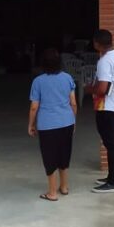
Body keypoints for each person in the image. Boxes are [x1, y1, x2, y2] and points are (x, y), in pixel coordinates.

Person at [28, 48, 77, 201]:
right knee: (64, 154)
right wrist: (73, 120)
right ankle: (64, 187)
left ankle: (52, 193)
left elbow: (34, 106)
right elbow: (73, 103)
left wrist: (31, 124)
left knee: (50, 157)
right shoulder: (67, 78)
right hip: (67, 122)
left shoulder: (38, 81)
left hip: (47, 125)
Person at [86, 29, 114, 193]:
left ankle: (112, 182)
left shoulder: (104, 61)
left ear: (97, 43)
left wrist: (89, 89)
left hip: (108, 108)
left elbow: (102, 88)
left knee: (111, 144)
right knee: (113, 143)